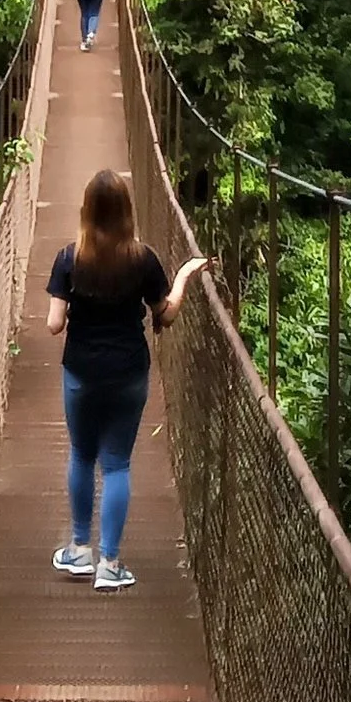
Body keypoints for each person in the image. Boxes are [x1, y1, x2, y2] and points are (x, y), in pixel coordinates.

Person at [47, 167, 204, 589]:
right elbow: (164, 315)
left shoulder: (68, 257)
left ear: (86, 210)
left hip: (80, 371)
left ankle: (79, 551)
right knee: (116, 464)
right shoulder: (143, 259)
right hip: (129, 372)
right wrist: (185, 277)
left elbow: (53, 325)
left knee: (82, 454)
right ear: (127, 211)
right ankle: (110, 565)